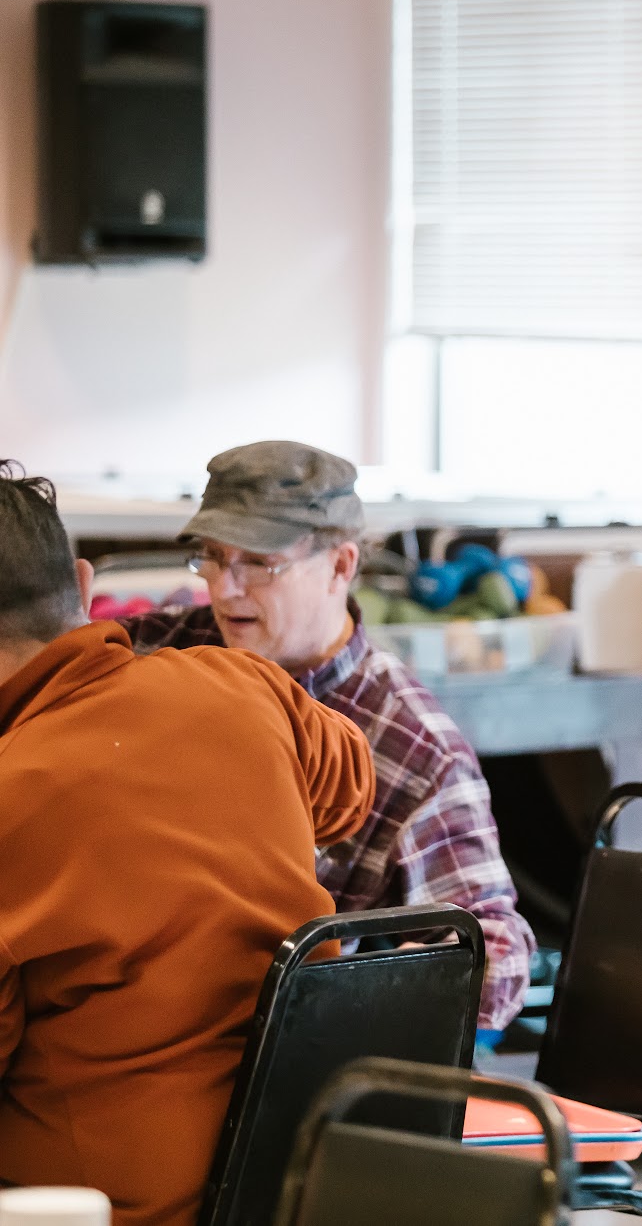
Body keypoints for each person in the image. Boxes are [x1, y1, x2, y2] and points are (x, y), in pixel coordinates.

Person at [0, 462, 373, 1225]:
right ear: (82, 580)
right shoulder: (245, 684)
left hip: (107, 1205)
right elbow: (351, 785)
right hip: (311, 1175)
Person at [121, 441, 534, 1036]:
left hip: (273, 1057)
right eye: (212, 558)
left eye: (259, 563)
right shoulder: (163, 652)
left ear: (341, 565)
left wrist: (343, 1004)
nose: (226, 588)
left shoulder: (414, 750)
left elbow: (492, 965)